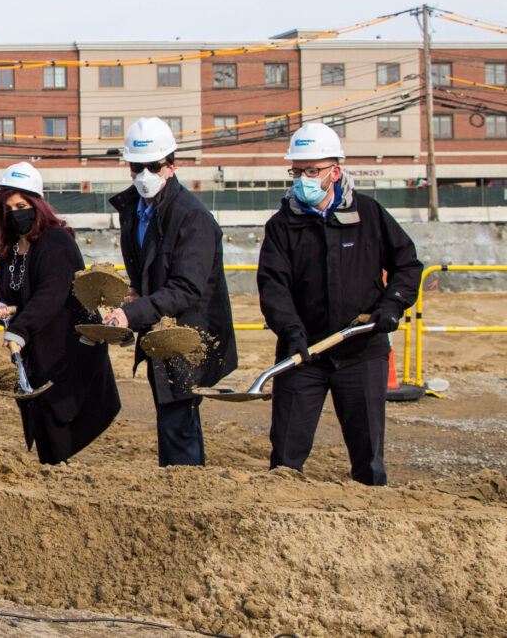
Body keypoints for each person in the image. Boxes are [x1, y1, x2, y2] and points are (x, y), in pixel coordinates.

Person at [257, 123, 421, 486]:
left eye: (312, 171)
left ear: (335, 171)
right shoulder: (282, 225)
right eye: (297, 171)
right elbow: (273, 288)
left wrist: (392, 305)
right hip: (303, 353)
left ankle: (371, 518)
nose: (303, 179)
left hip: (362, 351)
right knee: (285, 455)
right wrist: (292, 332)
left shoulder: (369, 215)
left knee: (368, 457)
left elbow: (407, 265)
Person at [103, 118, 236, 466]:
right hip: (159, 328)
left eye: (153, 167)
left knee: (179, 419)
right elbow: (150, 268)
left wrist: (133, 313)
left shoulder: (192, 218)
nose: (144, 175)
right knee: (171, 415)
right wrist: (136, 294)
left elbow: (188, 287)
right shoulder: (134, 210)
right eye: (136, 167)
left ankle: (187, 490)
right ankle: (179, 484)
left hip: (189, 333)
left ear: (171, 165)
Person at [0, 163, 121, 464]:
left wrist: (19, 329)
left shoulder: (57, 242)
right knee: (42, 425)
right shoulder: (9, 251)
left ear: (37, 204)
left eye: (21, 205)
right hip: (36, 355)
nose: (14, 212)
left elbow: (53, 292)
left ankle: (64, 487)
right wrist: (2, 310)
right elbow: (14, 297)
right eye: (7, 208)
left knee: (62, 427)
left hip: (67, 353)